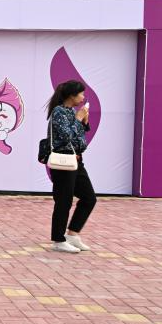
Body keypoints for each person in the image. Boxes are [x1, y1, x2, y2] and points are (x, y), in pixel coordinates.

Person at [46, 80, 97, 253]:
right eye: (81, 93)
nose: (83, 97)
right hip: (63, 162)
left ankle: (73, 235)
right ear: (71, 95)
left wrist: (84, 121)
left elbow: (79, 136)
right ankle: (58, 240)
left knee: (89, 198)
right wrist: (78, 119)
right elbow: (66, 136)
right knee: (64, 201)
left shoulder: (71, 111)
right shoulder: (59, 111)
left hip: (76, 161)